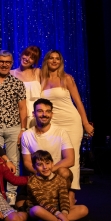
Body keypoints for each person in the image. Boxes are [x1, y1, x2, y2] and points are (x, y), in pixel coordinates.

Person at [40, 50, 93, 190]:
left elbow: (78, 102)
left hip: (71, 121)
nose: (54, 61)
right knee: (54, 155)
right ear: (47, 60)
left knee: (72, 157)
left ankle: (71, 191)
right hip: (52, 123)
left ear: (60, 62)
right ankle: (54, 191)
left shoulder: (67, 78)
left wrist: (85, 122)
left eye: (57, 59)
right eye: (51, 58)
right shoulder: (40, 79)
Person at [0, 50, 27, 205]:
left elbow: (23, 108)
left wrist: (23, 129)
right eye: (1, 61)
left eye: (7, 62)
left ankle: (11, 194)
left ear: (11, 64)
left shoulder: (17, 83)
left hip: (13, 126)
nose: (4, 64)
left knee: (13, 161)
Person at [21, 99, 75, 204]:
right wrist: (41, 172)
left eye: (48, 111)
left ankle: (58, 202)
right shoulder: (27, 135)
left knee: (64, 172)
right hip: (37, 175)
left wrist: (49, 170)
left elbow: (70, 159)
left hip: (56, 174)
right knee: (20, 207)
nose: (44, 114)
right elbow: (27, 162)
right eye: (40, 111)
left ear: (52, 114)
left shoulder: (61, 132)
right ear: (34, 114)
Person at [26, 150, 94, 221]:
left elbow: (64, 198)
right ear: (34, 167)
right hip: (41, 208)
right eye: (40, 165)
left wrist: (64, 214)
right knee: (36, 210)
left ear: (52, 163)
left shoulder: (60, 179)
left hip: (57, 209)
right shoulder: (32, 181)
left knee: (84, 209)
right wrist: (61, 216)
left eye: (47, 163)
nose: (45, 167)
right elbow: (43, 202)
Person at [10, 46, 42, 128]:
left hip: (36, 114)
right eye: (26, 55)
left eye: (32, 58)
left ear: (34, 61)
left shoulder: (38, 72)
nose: (27, 59)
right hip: (18, 115)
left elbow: (51, 81)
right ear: (22, 54)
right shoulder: (11, 73)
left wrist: (66, 77)